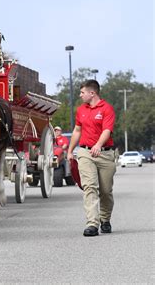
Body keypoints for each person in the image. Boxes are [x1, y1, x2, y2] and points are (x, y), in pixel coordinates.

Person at [67, 80, 116, 237]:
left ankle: (105, 219)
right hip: (86, 153)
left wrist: (98, 145)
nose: (80, 95)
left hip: (105, 154)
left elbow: (107, 130)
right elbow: (76, 131)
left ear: (92, 93)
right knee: (90, 187)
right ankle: (92, 224)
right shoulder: (81, 110)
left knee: (106, 191)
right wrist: (70, 151)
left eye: (82, 92)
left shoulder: (107, 109)